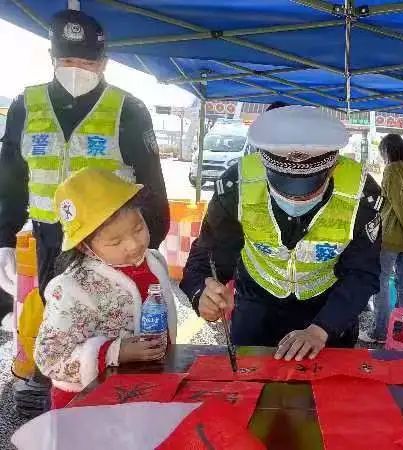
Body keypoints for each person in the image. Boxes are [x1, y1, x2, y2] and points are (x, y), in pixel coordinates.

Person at [0, 9, 170, 415]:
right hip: (50, 235)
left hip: (112, 237)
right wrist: (2, 237)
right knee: (59, 306)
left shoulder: (128, 108)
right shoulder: (27, 104)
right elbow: (10, 175)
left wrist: (143, 243)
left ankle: (117, 392)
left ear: (104, 62)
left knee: (120, 310)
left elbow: (152, 180)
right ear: (52, 58)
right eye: (68, 61)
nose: (78, 69)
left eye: (88, 62)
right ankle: (58, 381)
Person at [180, 105, 382, 361]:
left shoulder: (362, 195)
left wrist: (322, 330)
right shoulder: (235, 187)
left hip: (328, 313)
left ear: (332, 167)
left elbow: (362, 273)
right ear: (265, 166)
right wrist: (202, 293)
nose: (295, 198)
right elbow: (205, 257)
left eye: (309, 188)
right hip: (256, 310)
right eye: (283, 187)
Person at [34, 168, 177, 409]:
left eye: (138, 228)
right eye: (115, 241)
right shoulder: (72, 289)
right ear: (84, 247)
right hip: (87, 405)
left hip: (142, 394)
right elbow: (49, 358)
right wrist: (113, 353)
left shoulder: (154, 262)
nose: (133, 245)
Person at [360, 134, 403, 344]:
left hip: (391, 236)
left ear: (388, 151)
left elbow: (399, 205)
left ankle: (381, 332)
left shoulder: (392, 169)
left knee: (381, 282)